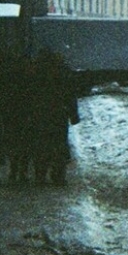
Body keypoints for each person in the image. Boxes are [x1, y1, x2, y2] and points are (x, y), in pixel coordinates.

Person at [30, 51, 80, 185]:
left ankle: (40, 175)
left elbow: (29, 95)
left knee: (41, 144)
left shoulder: (36, 72)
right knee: (59, 144)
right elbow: (70, 96)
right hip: (59, 114)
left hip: (41, 114)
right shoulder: (63, 72)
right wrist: (74, 115)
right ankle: (58, 176)